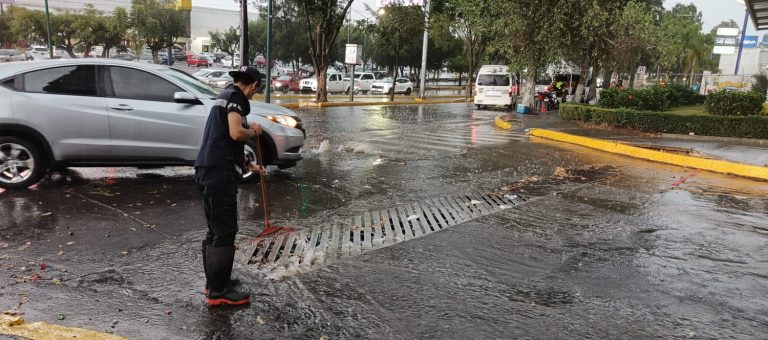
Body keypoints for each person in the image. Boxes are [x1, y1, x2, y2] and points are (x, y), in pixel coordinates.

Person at [195, 66, 265, 306]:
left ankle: (215, 282)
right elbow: (236, 133)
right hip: (218, 172)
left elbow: (224, 139)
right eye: (257, 90)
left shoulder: (224, 96)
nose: (255, 95)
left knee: (216, 229)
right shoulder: (235, 98)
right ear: (254, 85)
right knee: (224, 231)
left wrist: (247, 164)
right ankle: (218, 292)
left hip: (210, 168)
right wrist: (253, 130)